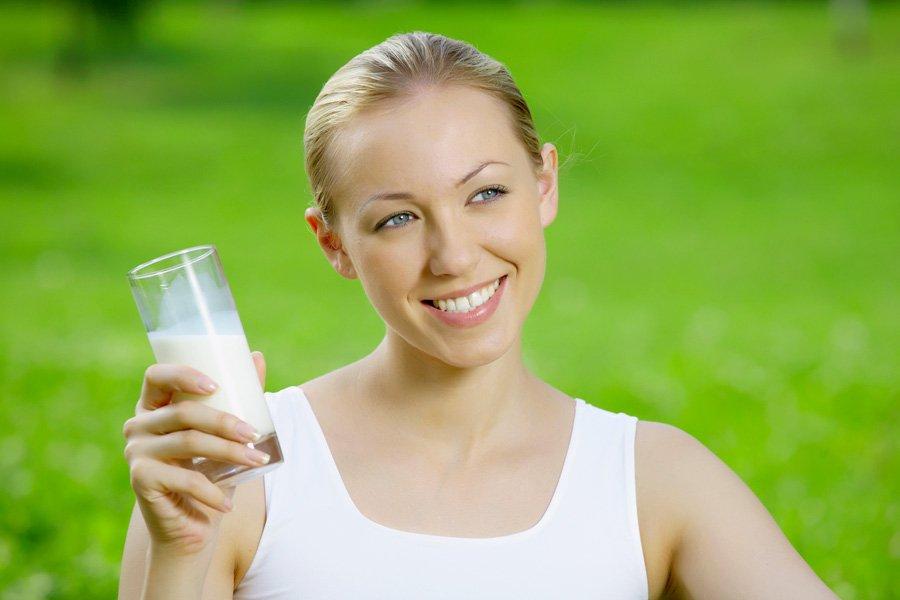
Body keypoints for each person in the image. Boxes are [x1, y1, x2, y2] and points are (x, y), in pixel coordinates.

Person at [118, 32, 837, 599]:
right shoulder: (228, 475)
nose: (454, 255)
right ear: (334, 244)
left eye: (486, 194)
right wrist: (180, 559)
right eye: (398, 219)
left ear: (545, 183)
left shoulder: (653, 483)